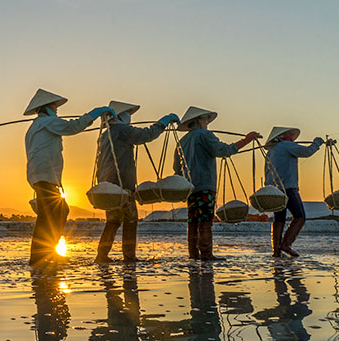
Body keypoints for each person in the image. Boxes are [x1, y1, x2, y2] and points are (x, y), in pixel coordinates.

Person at [24, 88, 115, 266]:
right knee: (48, 216)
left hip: (42, 175)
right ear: (46, 107)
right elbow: (72, 127)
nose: (56, 109)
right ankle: (38, 258)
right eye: (54, 105)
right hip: (43, 175)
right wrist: (93, 114)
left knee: (59, 212)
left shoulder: (38, 125)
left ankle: (48, 253)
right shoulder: (47, 122)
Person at [94, 101, 178, 263]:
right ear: (119, 116)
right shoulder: (122, 130)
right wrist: (163, 123)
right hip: (123, 185)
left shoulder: (106, 134)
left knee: (113, 221)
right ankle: (129, 256)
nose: (130, 117)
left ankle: (102, 255)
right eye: (128, 114)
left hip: (108, 186)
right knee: (131, 219)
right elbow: (146, 135)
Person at [173, 106, 260, 261]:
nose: (207, 121)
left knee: (193, 220)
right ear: (199, 120)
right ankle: (206, 254)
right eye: (206, 118)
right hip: (205, 184)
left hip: (189, 187)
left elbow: (177, 167)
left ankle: (193, 254)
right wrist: (247, 139)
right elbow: (223, 150)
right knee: (206, 219)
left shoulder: (182, 141)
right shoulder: (204, 135)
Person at [264, 126, 324, 257]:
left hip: (274, 190)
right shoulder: (286, 145)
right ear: (282, 137)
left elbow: (267, 171)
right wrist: (317, 143)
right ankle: (286, 244)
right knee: (300, 216)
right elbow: (307, 152)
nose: (292, 137)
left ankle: (276, 251)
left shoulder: (271, 150)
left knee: (279, 219)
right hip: (288, 187)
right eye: (289, 134)